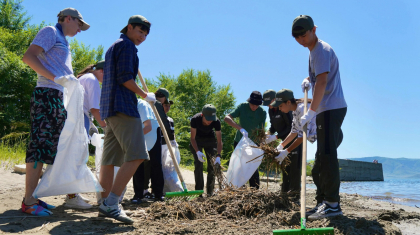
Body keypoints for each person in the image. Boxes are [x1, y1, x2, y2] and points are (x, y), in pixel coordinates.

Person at [21, 7, 90, 216]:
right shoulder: (50, 31)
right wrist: (55, 78)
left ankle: (37, 196)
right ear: (68, 18)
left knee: (55, 147)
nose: (79, 29)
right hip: (46, 94)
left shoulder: (64, 40)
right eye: (79, 24)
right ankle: (28, 201)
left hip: (58, 96)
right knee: (39, 145)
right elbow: (28, 57)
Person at [99, 15, 156, 224]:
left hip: (109, 108)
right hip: (123, 107)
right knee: (137, 155)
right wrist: (144, 95)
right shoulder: (128, 47)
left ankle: (104, 201)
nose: (142, 36)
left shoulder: (113, 46)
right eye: (140, 31)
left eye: (146, 34)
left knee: (110, 160)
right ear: (129, 27)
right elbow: (125, 78)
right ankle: (111, 203)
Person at [291, 15, 347, 220]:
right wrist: (309, 79)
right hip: (326, 110)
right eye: (297, 37)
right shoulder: (314, 51)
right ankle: (324, 202)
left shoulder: (321, 50)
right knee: (322, 157)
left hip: (330, 108)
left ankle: (332, 204)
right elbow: (318, 78)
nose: (301, 40)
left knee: (328, 155)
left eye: (303, 35)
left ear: (314, 29)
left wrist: (310, 112)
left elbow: (322, 83)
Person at [263, 90, 302, 195]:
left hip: (295, 140)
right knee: (285, 166)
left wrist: (276, 136)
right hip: (284, 140)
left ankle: (295, 193)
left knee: (294, 167)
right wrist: (268, 134)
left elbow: (292, 128)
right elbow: (273, 126)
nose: (269, 107)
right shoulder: (271, 110)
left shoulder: (286, 108)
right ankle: (284, 191)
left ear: (274, 99)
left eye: (270, 104)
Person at [224, 91, 266, 189]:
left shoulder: (262, 113)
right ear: (249, 101)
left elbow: (261, 131)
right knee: (238, 167)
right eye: (252, 104)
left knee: (252, 168)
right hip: (239, 142)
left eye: (257, 105)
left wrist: (262, 145)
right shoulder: (242, 107)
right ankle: (237, 190)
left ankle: (254, 191)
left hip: (253, 145)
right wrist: (240, 128)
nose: (254, 107)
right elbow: (227, 118)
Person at [131, 98, 164, 203]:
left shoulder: (142, 105)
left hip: (152, 133)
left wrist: (132, 137)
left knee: (155, 164)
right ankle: (138, 195)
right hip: (138, 134)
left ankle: (158, 194)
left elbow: (148, 127)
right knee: (137, 164)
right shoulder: (124, 106)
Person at [190, 104, 223, 196]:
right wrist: (197, 151)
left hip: (210, 140)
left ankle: (210, 192)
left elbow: (219, 141)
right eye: (208, 118)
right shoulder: (195, 119)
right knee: (198, 165)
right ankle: (199, 192)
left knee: (212, 166)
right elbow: (192, 139)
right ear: (202, 115)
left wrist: (218, 156)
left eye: (212, 118)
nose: (210, 121)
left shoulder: (216, 122)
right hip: (197, 140)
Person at [77, 60, 107, 136]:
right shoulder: (93, 81)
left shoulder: (85, 77)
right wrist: (106, 127)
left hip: (74, 116)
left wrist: (90, 124)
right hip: (81, 118)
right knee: (80, 147)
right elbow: (94, 109)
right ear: (102, 71)